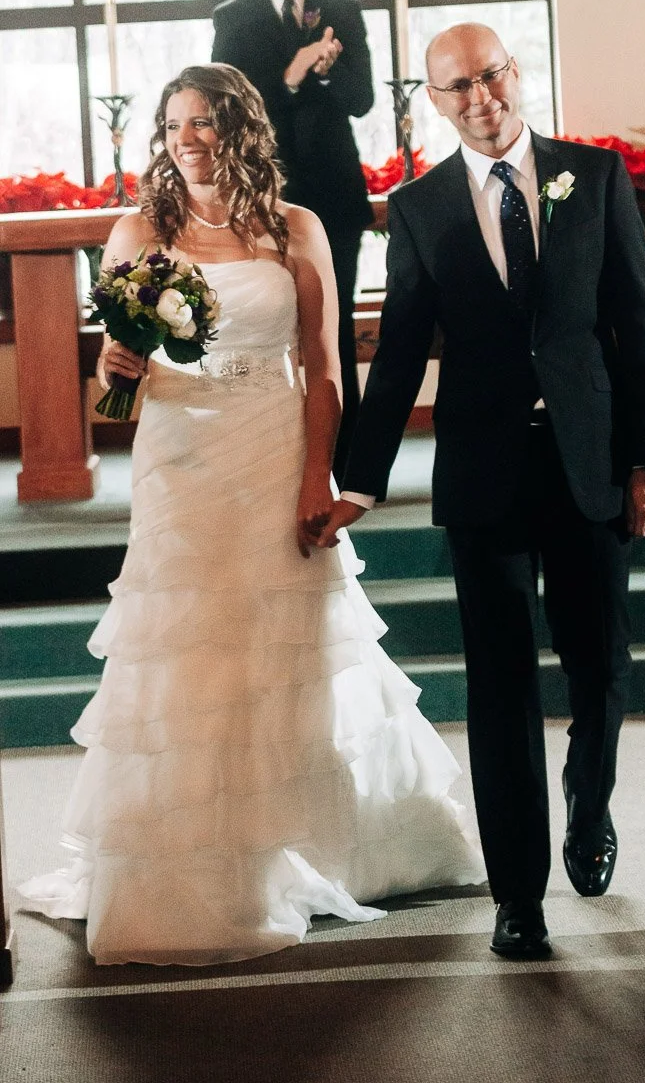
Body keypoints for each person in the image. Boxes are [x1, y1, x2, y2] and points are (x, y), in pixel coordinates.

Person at [16, 63, 484, 966]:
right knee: (192, 641)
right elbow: (121, 361)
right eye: (176, 123)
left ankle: (307, 842)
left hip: (273, 444)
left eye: (206, 121)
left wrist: (320, 472)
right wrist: (115, 368)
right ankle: (194, 864)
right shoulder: (138, 231)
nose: (189, 137)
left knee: (287, 638)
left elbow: (323, 364)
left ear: (240, 129)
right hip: (181, 454)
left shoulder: (295, 228)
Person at [317, 24, 645, 960]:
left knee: (601, 666)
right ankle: (519, 895)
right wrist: (359, 479)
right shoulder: (419, 207)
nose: (480, 98)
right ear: (434, 100)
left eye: (491, 77)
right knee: (501, 686)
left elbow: (636, 330)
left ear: (517, 76)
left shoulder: (592, 180)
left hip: (591, 462)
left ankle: (587, 799)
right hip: (482, 477)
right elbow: (396, 357)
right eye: (457, 87)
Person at [211, 0, 374, 483]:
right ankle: (272, 455)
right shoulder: (232, 18)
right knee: (266, 326)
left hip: (334, 196)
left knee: (334, 323)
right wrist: (294, 71)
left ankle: (347, 460)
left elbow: (362, 100)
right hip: (261, 198)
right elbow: (227, 110)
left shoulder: (344, 11)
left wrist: (327, 70)